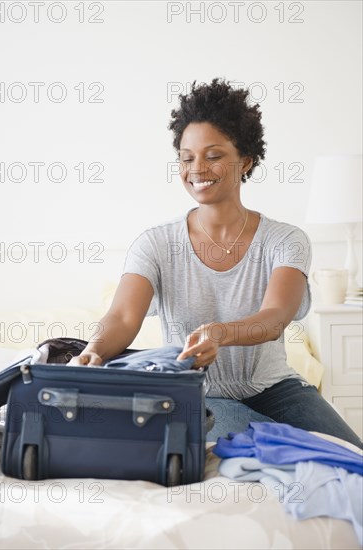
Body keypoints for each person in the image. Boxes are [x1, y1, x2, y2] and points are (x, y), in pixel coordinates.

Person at [69, 78, 362, 449]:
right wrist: (93, 348)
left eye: (214, 155)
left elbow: (274, 318)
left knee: (351, 457)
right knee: (269, 454)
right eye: (187, 157)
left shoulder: (285, 240)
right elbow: (124, 318)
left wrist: (220, 334)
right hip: (193, 391)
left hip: (277, 390)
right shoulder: (155, 244)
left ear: (246, 161)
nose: (197, 168)